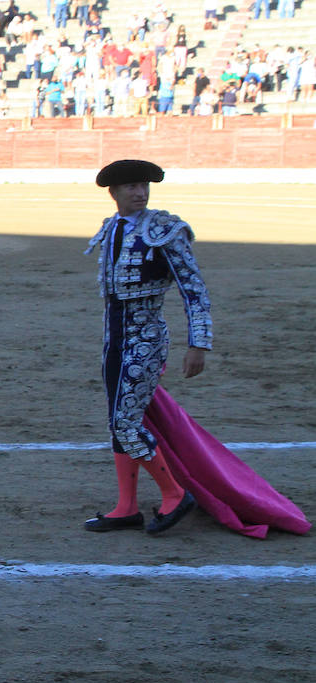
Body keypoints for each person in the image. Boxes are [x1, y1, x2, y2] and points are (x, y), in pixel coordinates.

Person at [82, 159, 308, 538]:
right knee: (119, 424)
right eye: (131, 187)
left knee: (126, 422)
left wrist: (198, 343)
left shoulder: (165, 231)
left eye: (144, 186)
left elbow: (194, 289)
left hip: (147, 340)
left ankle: (174, 494)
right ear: (114, 193)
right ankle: (126, 507)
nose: (140, 193)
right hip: (115, 342)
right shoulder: (111, 229)